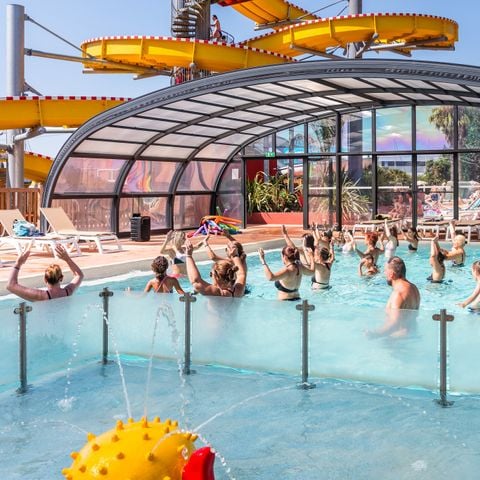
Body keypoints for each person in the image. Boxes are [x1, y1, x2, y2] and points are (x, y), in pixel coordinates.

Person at [6, 244, 84, 302]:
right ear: (61, 278)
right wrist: (67, 259)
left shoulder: (40, 296)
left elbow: (10, 285)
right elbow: (79, 275)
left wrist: (18, 264)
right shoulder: (68, 292)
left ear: (45, 279)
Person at [366, 256, 420, 338]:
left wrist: (374, 334)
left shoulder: (398, 294)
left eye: (385, 271)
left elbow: (395, 324)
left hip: (397, 340)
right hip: (412, 336)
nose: (384, 274)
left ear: (391, 274)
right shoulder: (414, 288)